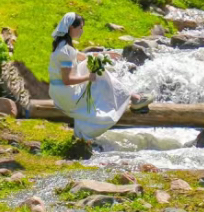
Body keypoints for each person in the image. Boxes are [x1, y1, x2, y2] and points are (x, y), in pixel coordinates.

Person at [47, 13, 148, 141]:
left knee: (92, 65)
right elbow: (67, 80)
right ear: (71, 28)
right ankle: (131, 97)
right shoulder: (65, 51)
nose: (82, 31)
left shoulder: (64, 46)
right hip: (66, 95)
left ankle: (129, 96)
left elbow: (83, 57)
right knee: (98, 73)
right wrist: (88, 77)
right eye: (80, 28)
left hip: (60, 91)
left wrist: (104, 54)